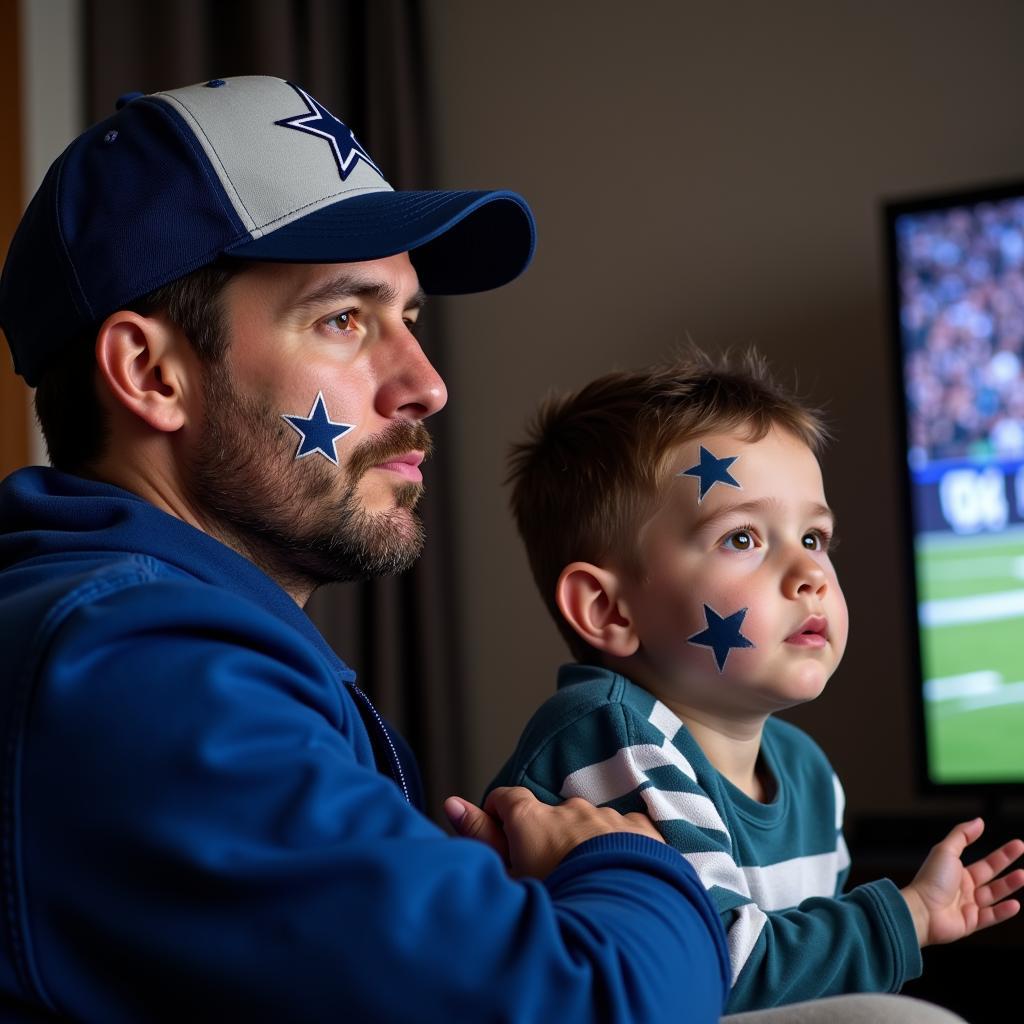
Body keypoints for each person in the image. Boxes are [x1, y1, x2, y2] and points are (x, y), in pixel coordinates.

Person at [0, 75, 970, 1024]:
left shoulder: (161, 635)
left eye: (409, 317)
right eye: (343, 318)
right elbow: (592, 1002)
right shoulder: (138, 669)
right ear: (151, 372)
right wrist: (621, 859)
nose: (425, 383)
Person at [488, 352, 1024, 1014]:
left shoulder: (807, 772)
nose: (812, 574)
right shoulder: (610, 733)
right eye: (743, 538)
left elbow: (805, 994)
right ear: (609, 610)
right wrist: (907, 916)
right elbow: (719, 968)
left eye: (815, 537)